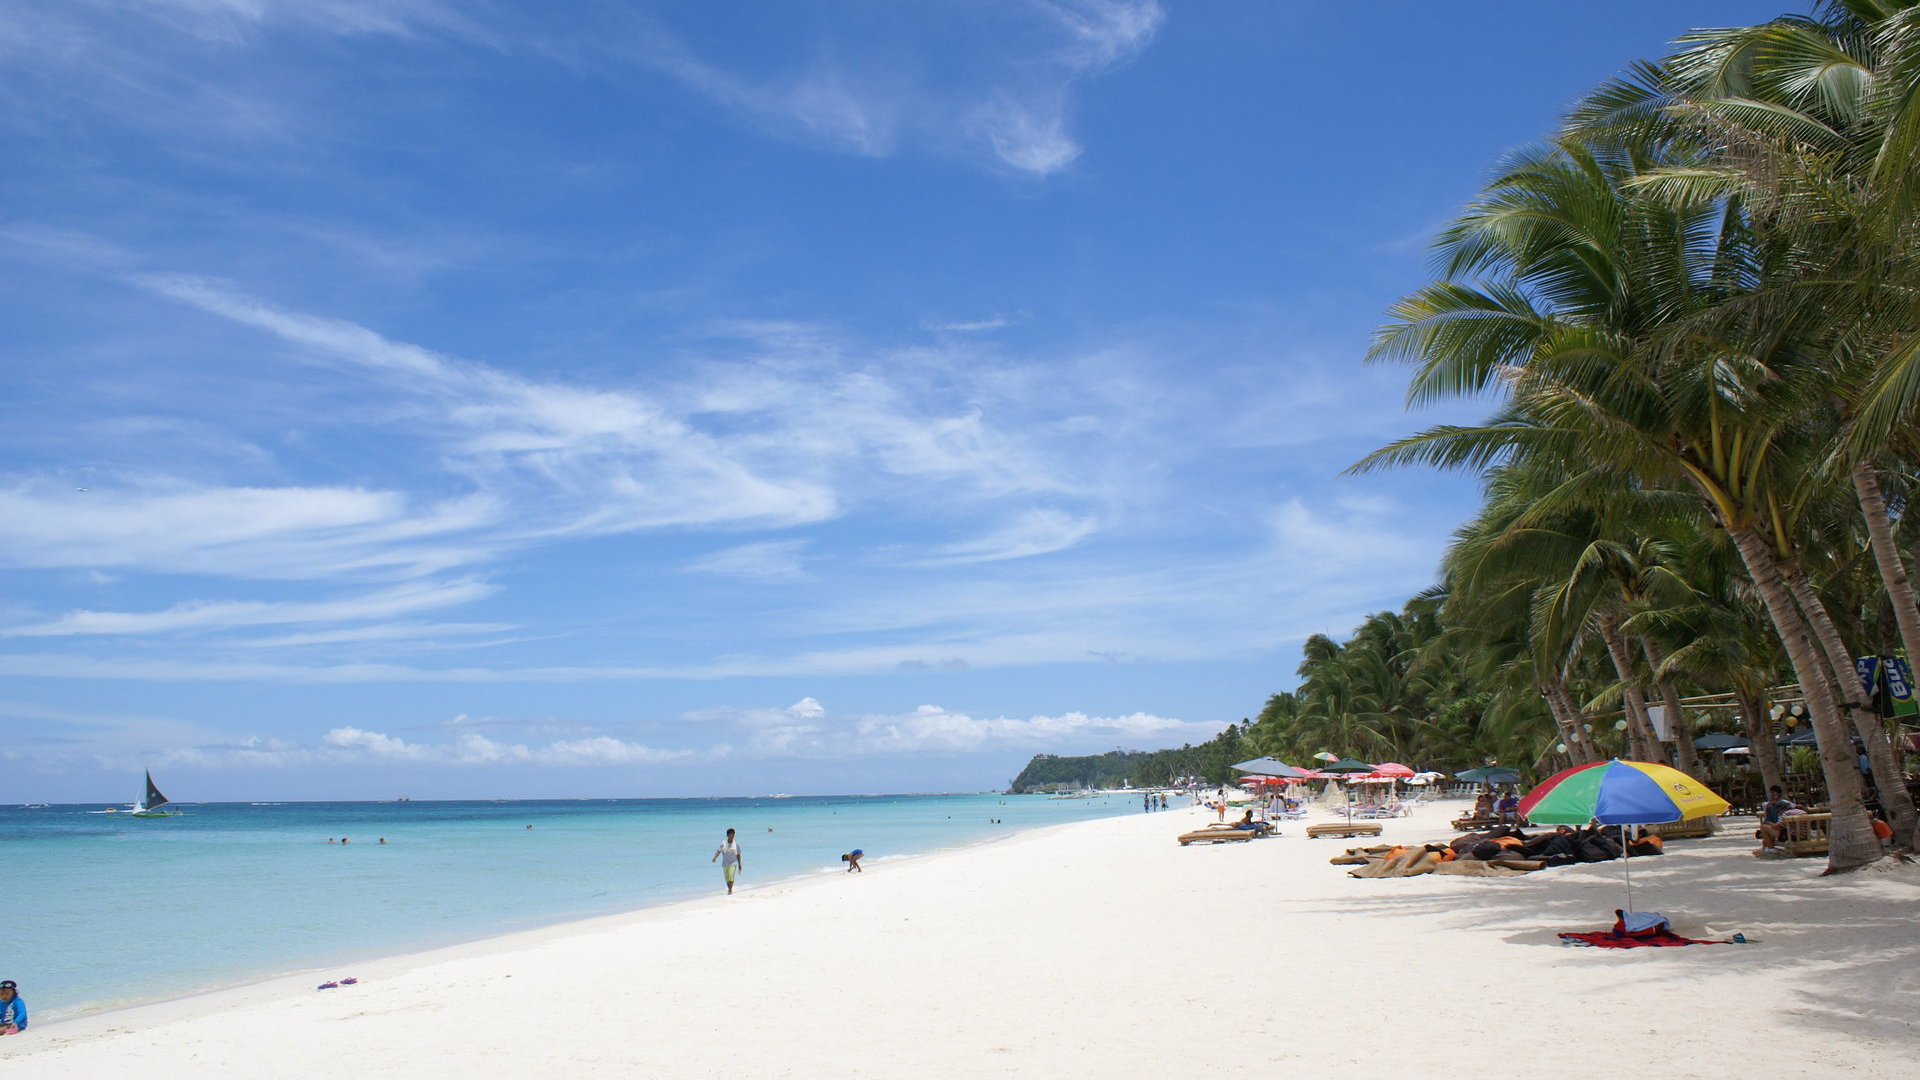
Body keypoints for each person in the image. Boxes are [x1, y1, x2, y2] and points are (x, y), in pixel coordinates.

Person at [1755, 786, 1795, 853]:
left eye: (1772, 793)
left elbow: (1777, 824)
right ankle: (1768, 847)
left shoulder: (1783, 804)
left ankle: (1770, 848)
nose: (1771, 795)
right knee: (1766, 827)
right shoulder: (1783, 803)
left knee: (1764, 827)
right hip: (1780, 826)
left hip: (1783, 830)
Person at [712, 827, 742, 894]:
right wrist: (714, 858)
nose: (731, 836)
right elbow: (718, 851)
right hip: (725, 864)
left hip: (733, 863)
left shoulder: (736, 845)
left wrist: (740, 864)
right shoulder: (723, 844)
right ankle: (729, 888)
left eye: (732, 835)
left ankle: (730, 890)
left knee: (731, 875)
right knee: (727, 878)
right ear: (727, 835)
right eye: (730, 835)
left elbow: (738, 855)